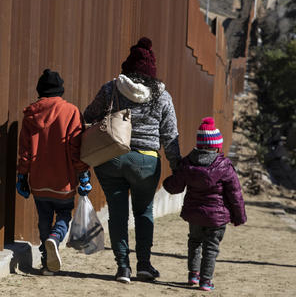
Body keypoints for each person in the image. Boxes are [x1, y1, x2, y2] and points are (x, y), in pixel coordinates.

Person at [83, 37, 181, 283]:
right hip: (146, 163)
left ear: (128, 66)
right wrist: (177, 168)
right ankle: (144, 265)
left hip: (112, 157)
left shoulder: (111, 88)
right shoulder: (162, 96)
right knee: (144, 211)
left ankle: (123, 267)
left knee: (118, 214)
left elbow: (88, 116)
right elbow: (170, 137)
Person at [16, 69, 91, 275]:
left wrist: (22, 175)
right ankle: (55, 239)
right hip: (63, 179)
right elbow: (76, 147)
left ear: (40, 90)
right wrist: (83, 173)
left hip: (39, 180)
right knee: (64, 215)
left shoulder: (30, 114)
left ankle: (46, 262)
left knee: (43, 219)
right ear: (60, 90)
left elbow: (25, 150)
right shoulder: (71, 112)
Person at [163, 117, 247, 292]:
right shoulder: (224, 166)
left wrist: (166, 182)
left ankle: (193, 275)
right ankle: (206, 281)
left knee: (194, 242)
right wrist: (239, 217)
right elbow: (235, 194)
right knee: (211, 247)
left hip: (195, 215)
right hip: (217, 217)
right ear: (217, 145)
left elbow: (174, 187)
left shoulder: (187, 163)